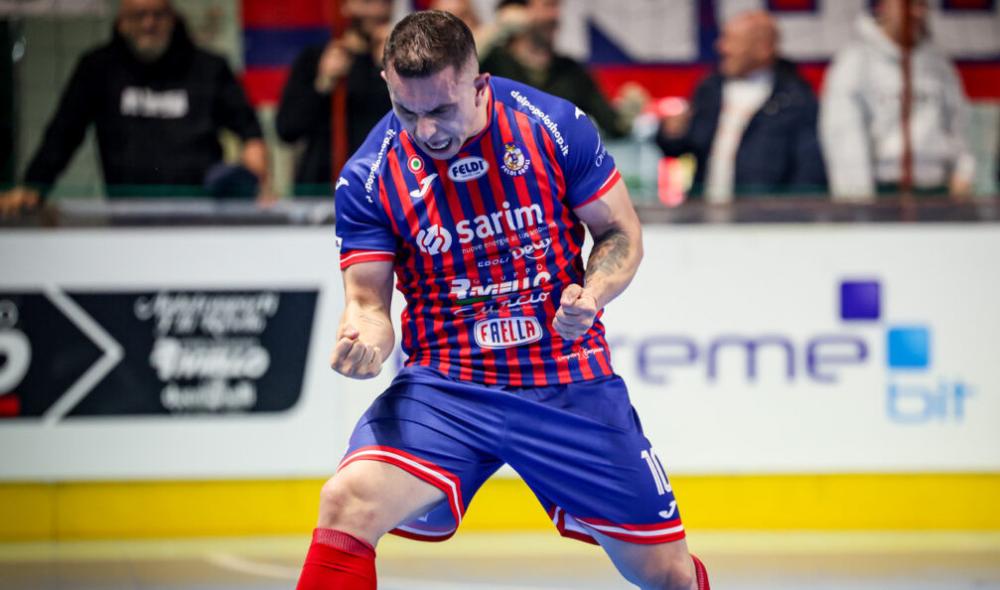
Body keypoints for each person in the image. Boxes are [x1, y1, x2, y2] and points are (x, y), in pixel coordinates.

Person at [295, 10, 710, 590]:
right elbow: (367, 303)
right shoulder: (368, 176)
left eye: (442, 110)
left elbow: (620, 233)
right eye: (407, 111)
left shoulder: (553, 126)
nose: (427, 131)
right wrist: (364, 338)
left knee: (668, 574)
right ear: (388, 85)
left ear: (479, 84)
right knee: (346, 502)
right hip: (447, 387)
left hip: (565, 378)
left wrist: (591, 295)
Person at [0, 0, 271, 217]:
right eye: (138, 15)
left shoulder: (209, 67)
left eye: (157, 14)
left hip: (200, 214)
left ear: (172, 18)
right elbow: (63, 134)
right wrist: (34, 186)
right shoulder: (98, 68)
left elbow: (250, 131)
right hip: (125, 214)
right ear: (122, 21)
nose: (148, 24)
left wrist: (254, 168)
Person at [656, 10, 825, 201]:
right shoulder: (710, 88)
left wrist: (789, 212)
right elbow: (685, 147)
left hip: (764, 213)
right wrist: (672, 133)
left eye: (731, 40)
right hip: (706, 208)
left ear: (763, 48)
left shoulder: (795, 99)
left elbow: (808, 171)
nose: (721, 47)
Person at [820, 0, 974, 200]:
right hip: (882, 192)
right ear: (884, 5)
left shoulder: (938, 62)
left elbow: (959, 125)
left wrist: (964, 172)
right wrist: (857, 200)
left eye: (922, 5)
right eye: (907, 4)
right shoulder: (855, 62)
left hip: (938, 190)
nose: (916, 13)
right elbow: (845, 137)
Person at [275, 0, 393, 197]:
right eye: (368, 2)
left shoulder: (396, 64)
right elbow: (287, 129)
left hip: (380, 188)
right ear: (345, 6)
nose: (377, 11)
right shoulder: (315, 58)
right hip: (320, 187)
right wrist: (323, 82)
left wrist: (389, 67)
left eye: (385, 2)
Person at [478, 0, 639, 139]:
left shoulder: (572, 71)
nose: (555, 16)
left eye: (557, 7)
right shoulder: (493, 63)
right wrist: (498, 27)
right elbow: (463, 68)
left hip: (557, 164)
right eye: (548, 6)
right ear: (518, 12)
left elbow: (613, 127)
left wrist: (627, 115)